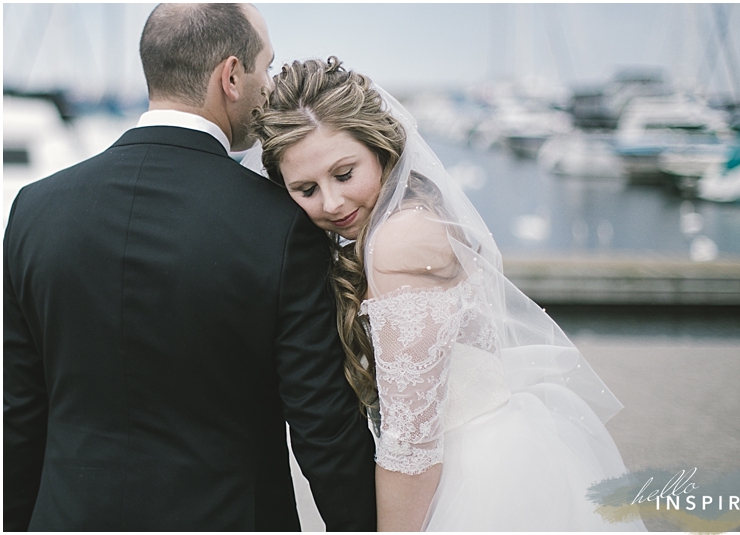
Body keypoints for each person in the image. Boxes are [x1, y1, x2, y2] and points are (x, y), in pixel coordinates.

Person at [4, 6, 375, 531]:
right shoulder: (280, 225)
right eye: (264, 68)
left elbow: (19, 415)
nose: (267, 87)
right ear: (230, 76)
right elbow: (323, 430)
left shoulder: (33, 210)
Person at [252, 57, 647, 532]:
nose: (332, 203)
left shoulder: (395, 242)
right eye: (305, 189)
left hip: (472, 477)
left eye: (344, 173)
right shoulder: (415, 215)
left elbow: (411, 443)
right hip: (502, 449)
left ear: (380, 149)